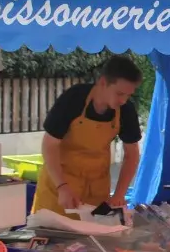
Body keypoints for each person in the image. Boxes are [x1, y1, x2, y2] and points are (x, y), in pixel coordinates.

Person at [32, 56, 143, 217]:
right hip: (59, 188)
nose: (123, 101)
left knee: (93, 231)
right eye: (119, 93)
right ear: (103, 82)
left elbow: (132, 154)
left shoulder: (126, 111)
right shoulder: (74, 98)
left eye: (128, 95)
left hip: (96, 190)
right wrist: (62, 186)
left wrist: (119, 194)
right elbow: (49, 145)